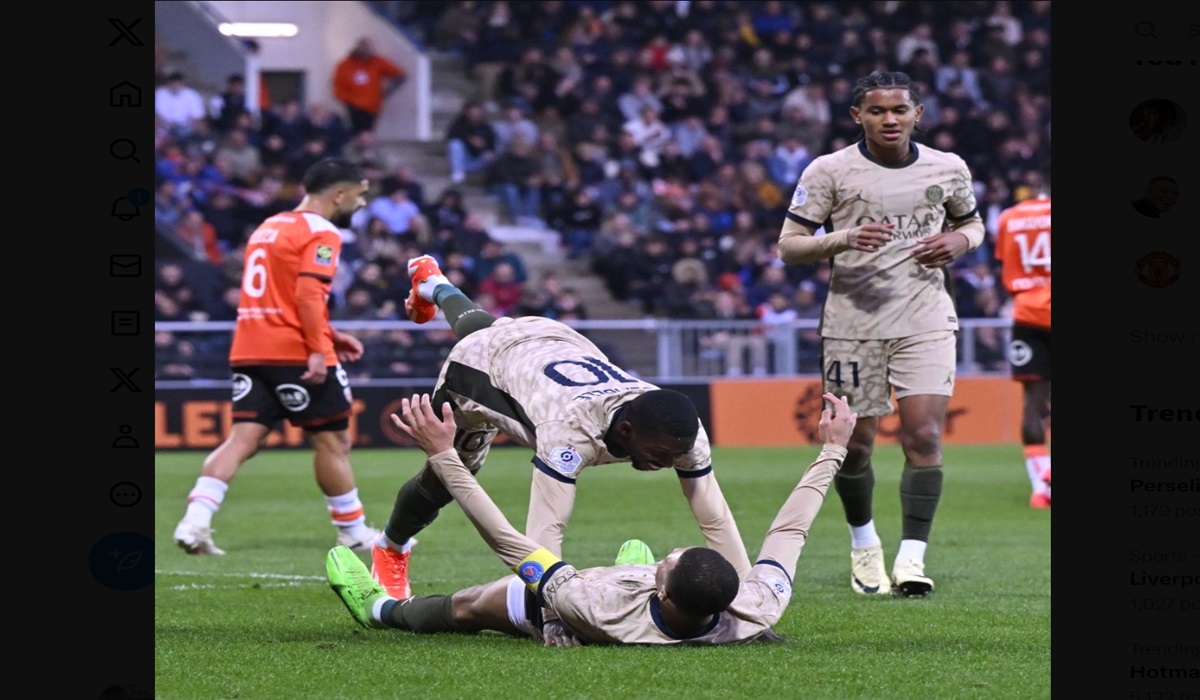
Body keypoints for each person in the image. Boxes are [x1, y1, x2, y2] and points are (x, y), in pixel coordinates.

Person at [367, 254, 752, 645]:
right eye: (659, 456)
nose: (667, 464)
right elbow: (546, 528)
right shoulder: (568, 432)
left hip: (556, 341)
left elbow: (715, 519)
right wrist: (552, 614)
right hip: (480, 372)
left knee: (491, 329)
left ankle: (434, 284)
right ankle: (391, 548)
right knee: (446, 475)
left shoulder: (680, 432)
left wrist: (747, 609)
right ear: (626, 430)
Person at [326, 392, 854, 645]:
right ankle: (628, 566)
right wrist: (833, 449)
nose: (672, 553)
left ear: (661, 591)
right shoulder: (758, 605)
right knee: (627, 569)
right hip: (634, 594)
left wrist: (445, 456)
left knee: (468, 608)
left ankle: (378, 608)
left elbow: (509, 542)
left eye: (667, 563)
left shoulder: (593, 606)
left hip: (587, 598)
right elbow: (790, 531)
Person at [776, 70, 987, 597]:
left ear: (918, 114)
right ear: (858, 116)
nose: (889, 119)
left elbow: (973, 223)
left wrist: (961, 241)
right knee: (856, 448)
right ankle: (864, 544)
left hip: (926, 317)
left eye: (899, 110)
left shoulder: (948, 167)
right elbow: (789, 245)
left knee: (924, 436)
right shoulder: (829, 170)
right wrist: (844, 237)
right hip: (852, 325)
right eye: (876, 111)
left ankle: (912, 559)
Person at [172, 158, 381, 555]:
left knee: (243, 438)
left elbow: (277, 296)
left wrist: (331, 335)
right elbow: (307, 295)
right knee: (333, 440)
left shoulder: (268, 227)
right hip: (293, 351)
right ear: (339, 194)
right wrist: (318, 349)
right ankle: (353, 532)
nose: (362, 204)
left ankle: (194, 522)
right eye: (360, 195)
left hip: (249, 347)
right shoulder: (322, 231)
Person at [994, 187, 1052, 508]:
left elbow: (1005, 261)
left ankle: (1041, 489)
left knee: (1033, 403)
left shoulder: (1010, 217)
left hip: (1027, 315)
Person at [332, 37, 407, 136]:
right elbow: (338, 84)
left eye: (368, 47)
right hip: (353, 105)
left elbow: (400, 75)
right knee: (357, 132)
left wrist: (387, 92)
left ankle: (365, 144)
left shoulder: (378, 62)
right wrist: (346, 99)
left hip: (371, 106)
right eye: (363, 46)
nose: (365, 49)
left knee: (367, 133)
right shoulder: (344, 65)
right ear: (357, 47)